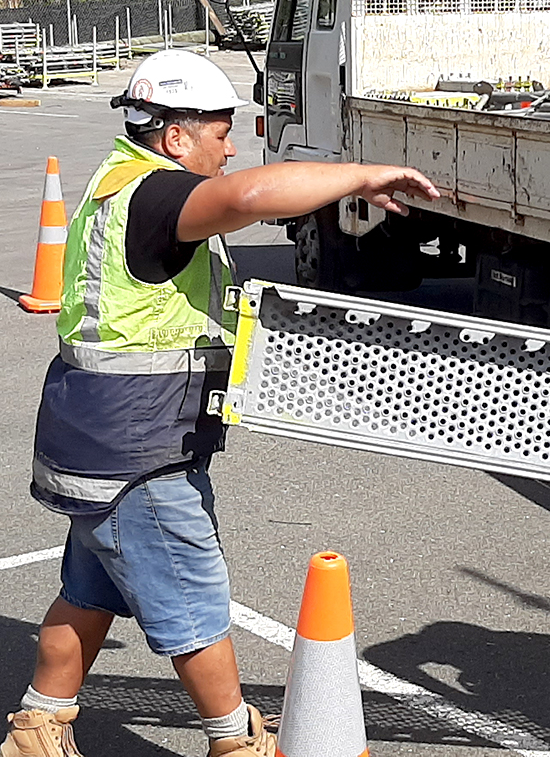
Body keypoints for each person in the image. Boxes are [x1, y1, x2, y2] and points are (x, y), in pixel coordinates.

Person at [2, 49, 438, 757]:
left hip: (94, 438)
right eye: (220, 131)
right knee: (193, 600)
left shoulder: (117, 181)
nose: (231, 147)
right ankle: (237, 743)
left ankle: (37, 727)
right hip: (140, 454)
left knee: (88, 590)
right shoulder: (157, 196)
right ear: (176, 135)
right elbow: (245, 199)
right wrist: (359, 175)